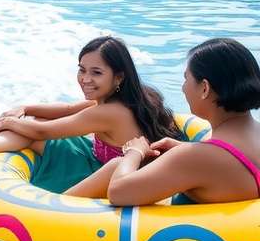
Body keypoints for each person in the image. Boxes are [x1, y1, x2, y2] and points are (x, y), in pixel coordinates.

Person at [0, 36, 182, 195]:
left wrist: (9, 122)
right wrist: (25, 109)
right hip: (102, 161)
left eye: (96, 72)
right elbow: (69, 109)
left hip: (110, 177)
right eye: (82, 70)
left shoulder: (110, 112)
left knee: (32, 130)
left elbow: (43, 132)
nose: (85, 79)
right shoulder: (127, 97)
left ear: (118, 77)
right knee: (32, 123)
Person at [107, 38, 260, 205]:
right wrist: (182, 149)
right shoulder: (253, 135)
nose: (183, 88)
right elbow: (227, 166)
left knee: (117, 165)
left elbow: (118, 193)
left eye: (186, 79)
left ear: (204, 88)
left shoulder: (195, 157)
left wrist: (134, 152)